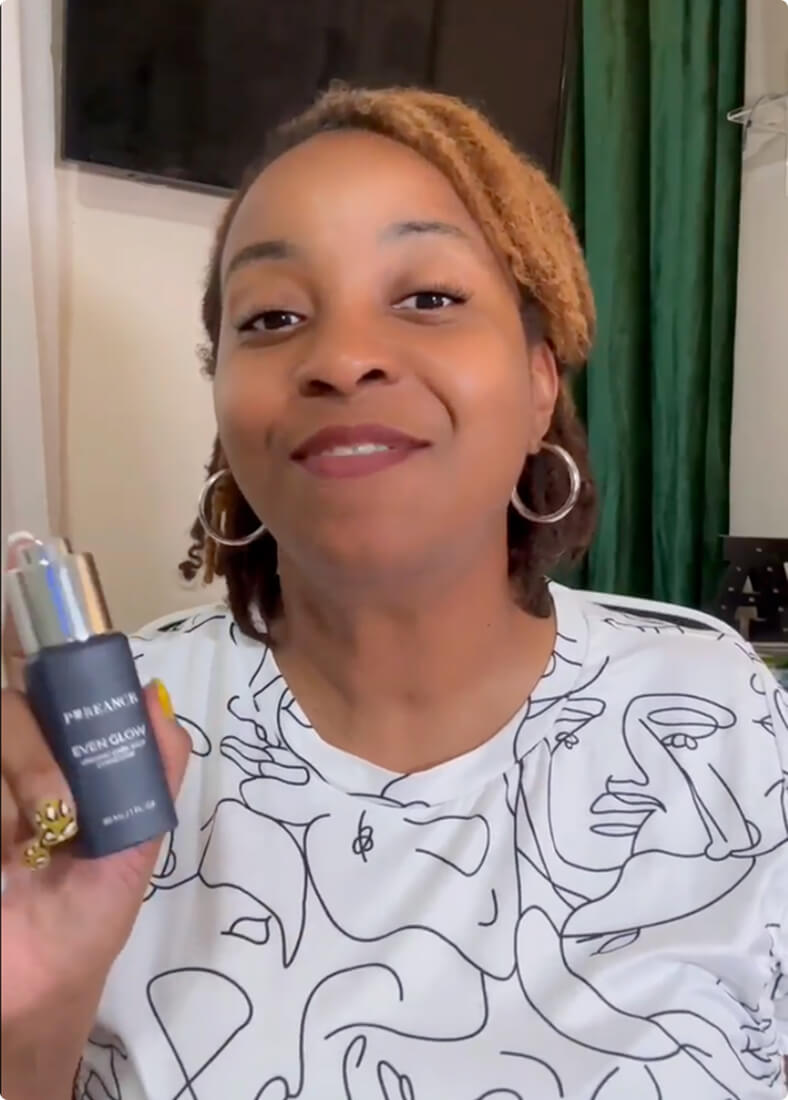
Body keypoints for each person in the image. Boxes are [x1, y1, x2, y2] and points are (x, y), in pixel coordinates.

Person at [1, 85, 786, 1100]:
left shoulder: (717, 713)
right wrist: (26, 1034)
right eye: (272, 315)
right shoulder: (107, 749)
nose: (338, 358)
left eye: (426, 297)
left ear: (540, 379)